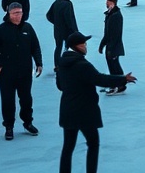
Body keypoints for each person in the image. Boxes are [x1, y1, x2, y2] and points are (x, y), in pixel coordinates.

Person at [56, 30, 137, 173]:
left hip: (67, 110)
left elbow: (60, 86)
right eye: (83, 43)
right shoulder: (82, 65)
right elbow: (100, 79)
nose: (86, 46)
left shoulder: (61, 64)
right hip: (84, 112)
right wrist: (123, 79)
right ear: (76, 46)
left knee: (68, 147)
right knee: (93, 144)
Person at [0, 0, 43, 140]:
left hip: (25, 72)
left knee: (26, 99)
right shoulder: (1, 30)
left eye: (20, 13)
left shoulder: (28, 28)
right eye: (15, 13)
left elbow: (35, 47)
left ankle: (28, 122)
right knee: (7, 100)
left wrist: (38, 63)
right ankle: (9, 126)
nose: (18, 16)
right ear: (9, 13)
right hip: (7, 73)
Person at [98, 0, 126, 94]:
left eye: (108, 1)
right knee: (112, 66)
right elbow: (107, 32)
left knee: (115, 67)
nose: (106, 2)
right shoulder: (111, 14)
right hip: (110, 45)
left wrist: (110, 48)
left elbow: (115, 34)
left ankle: (119, 86)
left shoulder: (116, 16)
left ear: (112, 2)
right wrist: (102, 45)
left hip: (113, 46)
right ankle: (116, 85)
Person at [47, 0, 78, 70]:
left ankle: (57, 65)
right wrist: (74, 30)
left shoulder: (56, 2)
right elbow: (69, 19)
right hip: (67, 30)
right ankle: (68, 63)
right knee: (69, 47)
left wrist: (56, 22)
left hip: (57, 30)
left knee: (58, 47)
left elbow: (48, 15)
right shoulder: (68, 4)